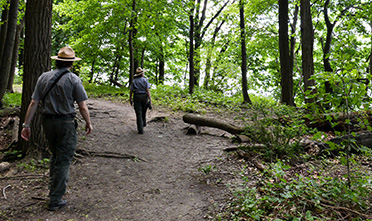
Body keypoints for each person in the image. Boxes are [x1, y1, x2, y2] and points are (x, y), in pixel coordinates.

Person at [21, 47, 93, 211]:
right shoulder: (74, 79)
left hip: (47, 123)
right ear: (71, 64)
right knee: (63, 159)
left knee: (55, 156)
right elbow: (82, 105)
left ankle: (53, 191)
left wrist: (26, 125)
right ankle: (55, 199)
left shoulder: (43, 77)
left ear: (57, 61)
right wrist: (88, 123)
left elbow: (34, 103)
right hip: (66, 124)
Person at [129, 67, 152, 134]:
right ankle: (143, 123)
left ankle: (140, 128)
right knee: (143, 111)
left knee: (138, 113)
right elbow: (148, 90)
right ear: (142, 74)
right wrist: (150, 99)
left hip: (136, 97)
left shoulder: (134, 81)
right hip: (144, 97)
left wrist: (130, 99)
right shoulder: (145, 80)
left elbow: (131, 91)